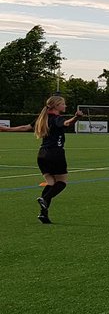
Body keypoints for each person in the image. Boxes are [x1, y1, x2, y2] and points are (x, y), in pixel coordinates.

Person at [12, 96, 83, 224]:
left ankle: (43, 214)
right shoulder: (57, 118)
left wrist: (6, 129)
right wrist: (76, 117)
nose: (65, 106)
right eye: (63, 104)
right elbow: (67, 123)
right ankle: (45, 198)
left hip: (42, 155)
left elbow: (25, 127)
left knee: (51, 183)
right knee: (62, 182)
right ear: (56, 106)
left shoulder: (42, 118)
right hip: (55, 153)